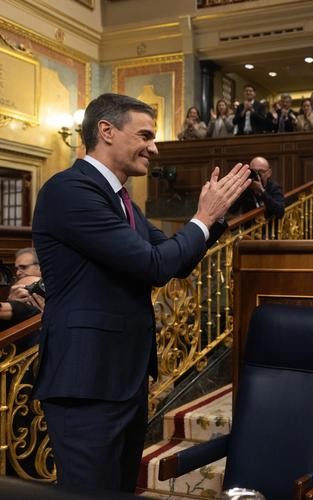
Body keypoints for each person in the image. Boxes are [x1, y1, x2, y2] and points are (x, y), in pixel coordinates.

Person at [31, 93, 250, 492]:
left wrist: (214, 218)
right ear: (106, 131)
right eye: (145, 135)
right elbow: (152, 265)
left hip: (122, 380)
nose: (154, 147)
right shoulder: (71, 190)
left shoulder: (120, 199)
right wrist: (202, 217)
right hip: (87, 381)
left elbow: (173, 261)